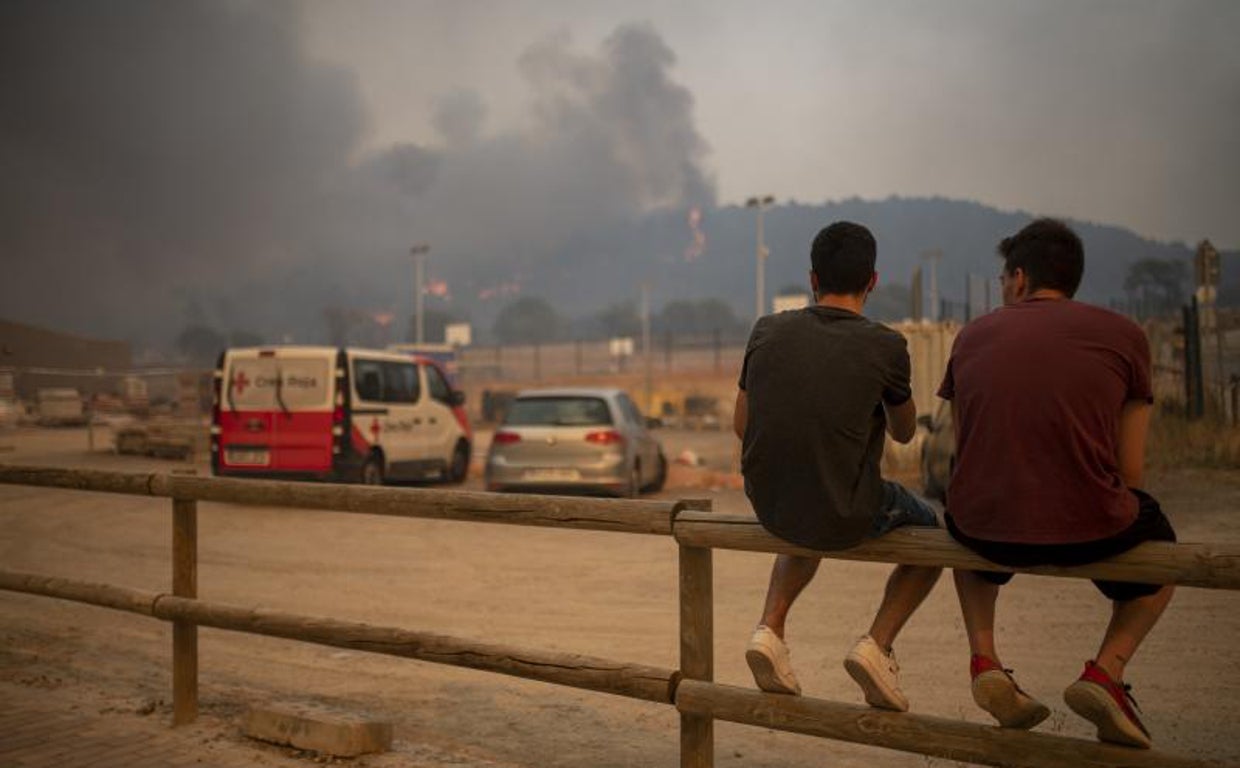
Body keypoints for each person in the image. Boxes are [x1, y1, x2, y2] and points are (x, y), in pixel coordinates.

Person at [938, 218, 1175, 748]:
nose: (1003, 290)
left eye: (1004, 279)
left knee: (960, 518)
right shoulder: (1125, 335)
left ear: (1019, 278)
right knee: (1164, 553)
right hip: (1091, 526)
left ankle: (985, 659)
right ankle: (1106, 672)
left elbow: (967, 452)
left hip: (984, 529)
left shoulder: (972, 335)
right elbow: (1131, 470)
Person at [735, 221, 942, 711]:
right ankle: (876, 645)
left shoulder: (765, 329)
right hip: (844, 510)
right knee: (932, 532)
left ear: (812, 279)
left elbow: (741, 424)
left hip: (770, 502)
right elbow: (904, 433)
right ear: (872, 281)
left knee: (812, 502)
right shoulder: (886, 346)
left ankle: (770, 629)